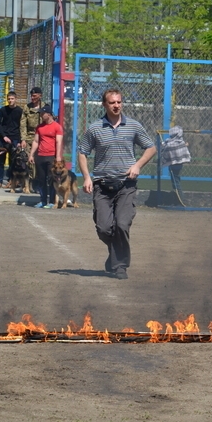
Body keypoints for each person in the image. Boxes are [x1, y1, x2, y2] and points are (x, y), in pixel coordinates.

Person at [77, 88, 156, 280]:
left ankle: (120, 265)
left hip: (126, 184)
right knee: (104, 228)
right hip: (102, 185)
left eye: (119, 102)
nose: (116, 105)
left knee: (122, 224)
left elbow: (151, 147)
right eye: (112, 102)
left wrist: (137, 165)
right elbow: (82, 152)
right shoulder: (95, 128)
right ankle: (115, 254)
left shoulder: (134, 126)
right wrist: (87, 177)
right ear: (104, 104)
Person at [28, 104, 63, 209]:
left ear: (48, 114)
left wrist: (58, 157)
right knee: (41, 179)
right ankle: (43, 201)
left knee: (52, 179)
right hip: (40, 156)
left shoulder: (57, 127)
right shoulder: (39, 127)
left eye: (43, 113)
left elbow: (59, 142)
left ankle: (52, 201)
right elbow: (36, 141)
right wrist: (31, 155)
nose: (41, 115)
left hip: (51, 156)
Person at [0, 91, 23, 189]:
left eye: (12, 99)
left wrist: (19, 140)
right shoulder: (3, 110)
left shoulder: (19, 111)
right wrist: (4, 136)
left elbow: (21, 126)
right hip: (4, 138)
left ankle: (11, 181)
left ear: (16, 99)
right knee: (1, 160)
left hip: (14, 138)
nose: (10, 101)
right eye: (9, 99)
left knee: (13, 161)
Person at [21, 86, 44, 193]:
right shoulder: (27, 107)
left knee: (39, 162)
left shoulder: (44, 107)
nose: (32, 98)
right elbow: (23, 124)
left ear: (40, 95)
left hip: (41, 138)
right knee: (29, 162)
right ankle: (28, 185)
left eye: (34, 96)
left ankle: (38, 185)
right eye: (31, 96)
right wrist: (23, 139)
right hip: (30, 137)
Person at [160, 125, 191, 204]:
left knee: (176, 181)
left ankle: (180, 200)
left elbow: (165, 149)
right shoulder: (180, 142)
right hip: (178, 164)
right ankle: (177, 197)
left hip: (174, 164)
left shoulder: (171, 143)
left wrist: (163, 145)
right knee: (176, 179)